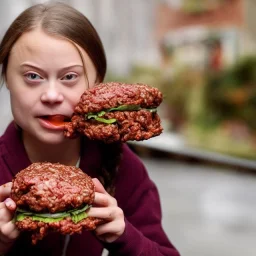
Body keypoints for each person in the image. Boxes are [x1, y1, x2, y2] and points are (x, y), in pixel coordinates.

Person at [0, 2, 180, 256]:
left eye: (69, 77)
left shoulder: (121, 165)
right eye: (33, 76)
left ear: (97, 84)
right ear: (6, 76)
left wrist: (124, 237)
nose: (52, 95)